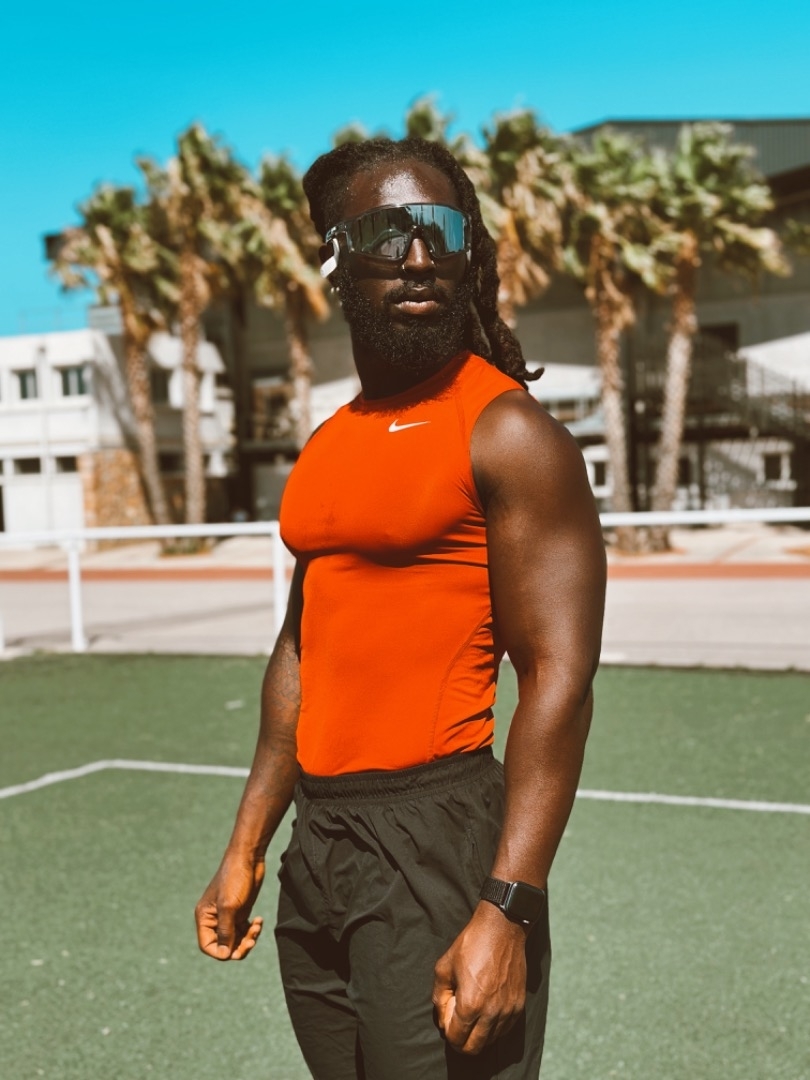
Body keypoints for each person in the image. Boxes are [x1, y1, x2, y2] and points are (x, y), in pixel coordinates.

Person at [195, 137, 606, 1080]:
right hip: (322, 843)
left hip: (441, 836)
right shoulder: (326, 444)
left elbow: (560, 675)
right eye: (387, 233)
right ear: (337, 259)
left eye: (440, 231)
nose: (418, 256)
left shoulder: (508, 432)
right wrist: (248, 844)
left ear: (468, 252)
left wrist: (508, 905)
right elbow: (303, 648)